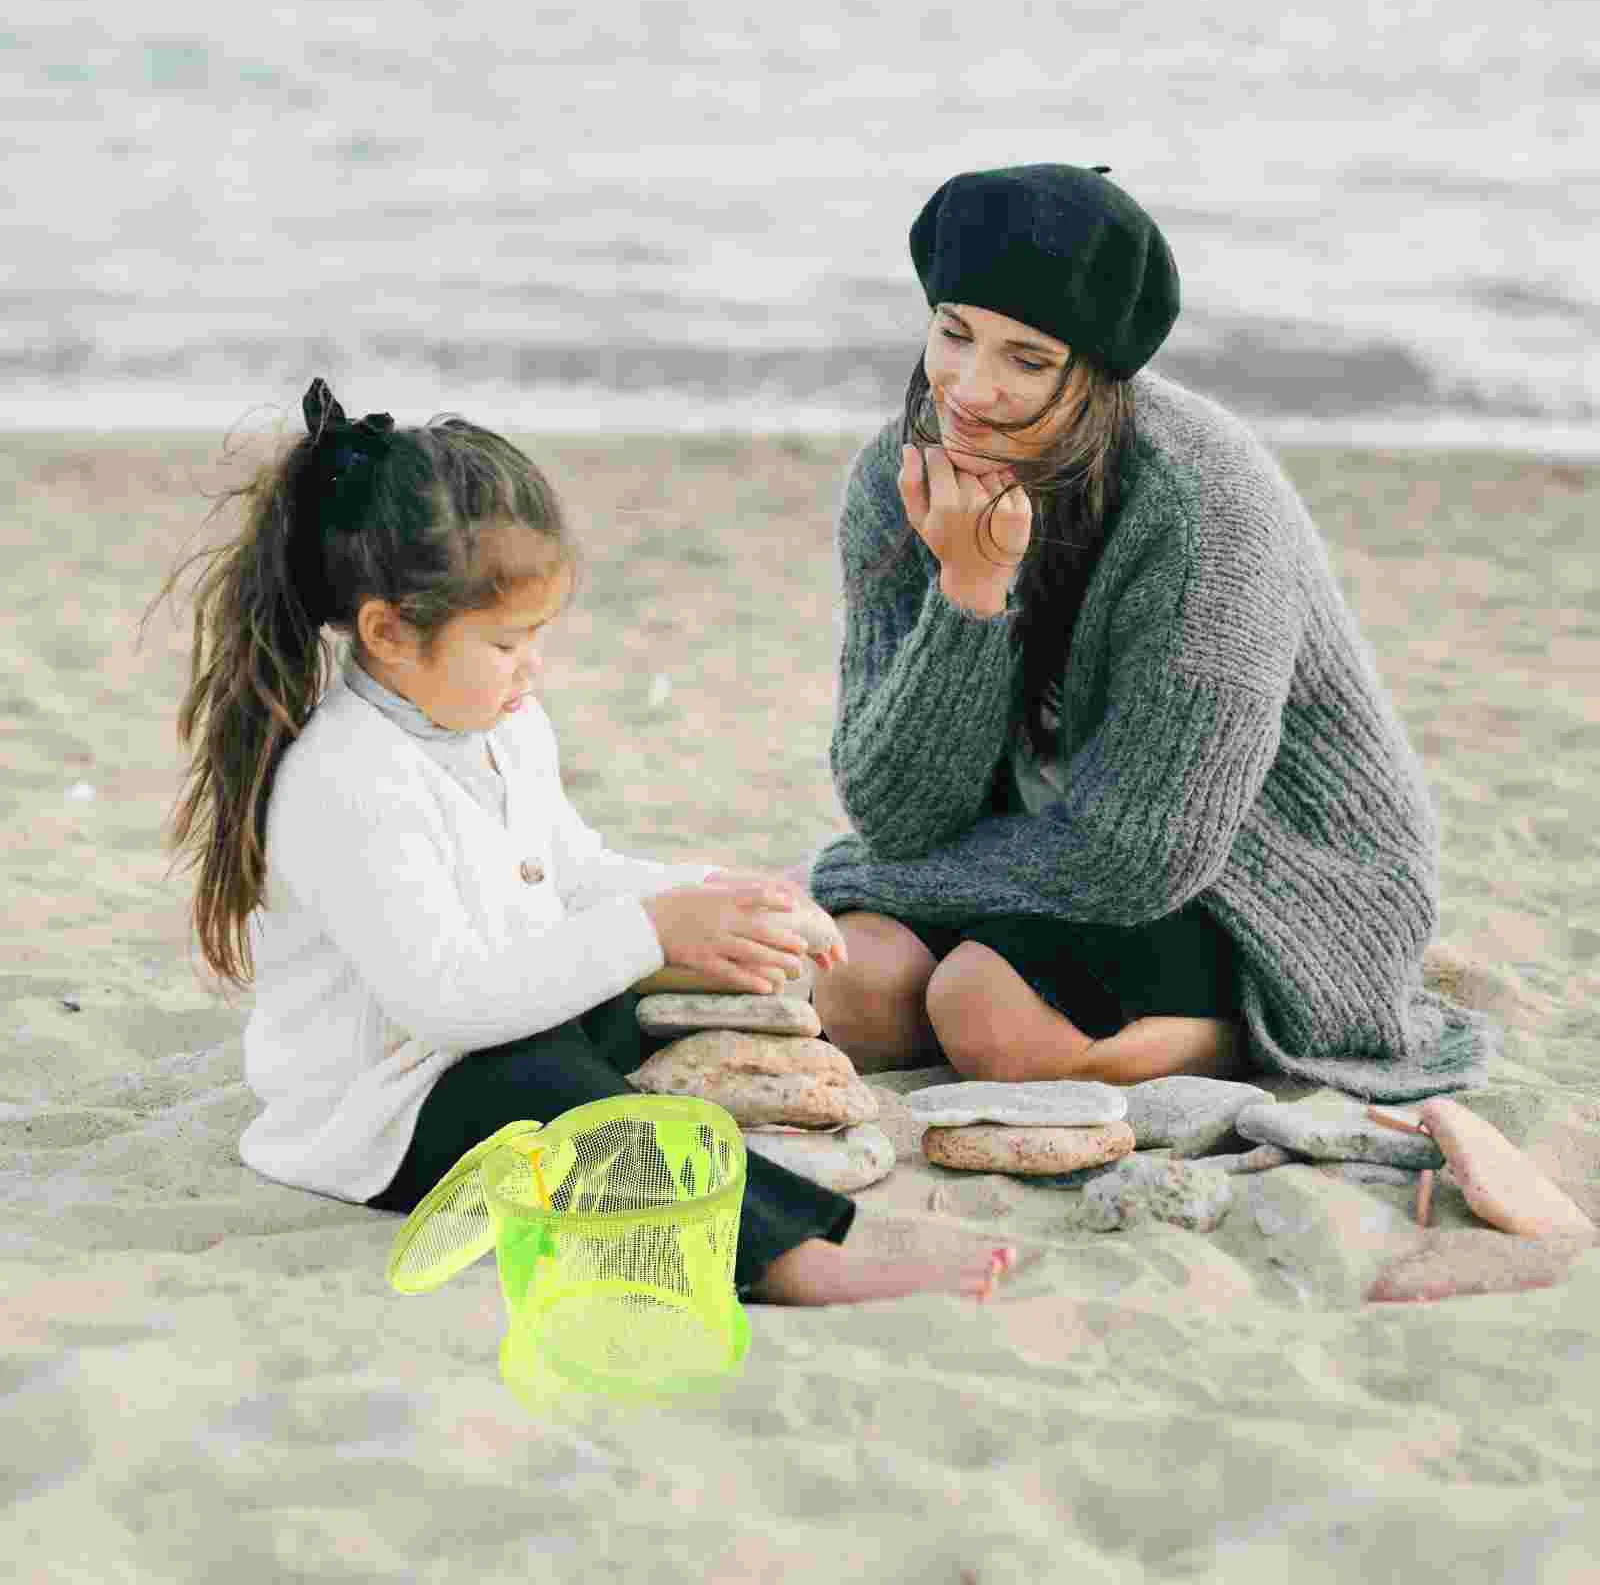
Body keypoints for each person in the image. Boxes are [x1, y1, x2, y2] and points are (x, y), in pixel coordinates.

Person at [146, 379, 1016, 1305]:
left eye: (539, 637)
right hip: (390, 1104)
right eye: (508, 644)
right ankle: (797, 1257)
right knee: (556, 1101)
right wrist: (654, 931)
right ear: (389, 633)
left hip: (504, 1016)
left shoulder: (501, 724)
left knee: (654, 1018)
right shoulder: (347, 778)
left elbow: (569, 870)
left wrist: (717, 891)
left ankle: (798, 1206)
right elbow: (447, 1006)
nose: (534, 669)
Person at [808, 163, 1501, 1100]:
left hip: (1256, 875)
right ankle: (1025, 985)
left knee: (986, 1014)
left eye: (1028, 359)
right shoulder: (899, 478)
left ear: (1095, 371)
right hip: (1037, 846)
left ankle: (1235, 1037)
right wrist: (970, 591)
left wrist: (881, 876)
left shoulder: (1207, 507)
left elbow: (1142, 860)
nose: (970, 388)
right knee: (848, 985)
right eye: (954, 334)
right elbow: (894, 813)